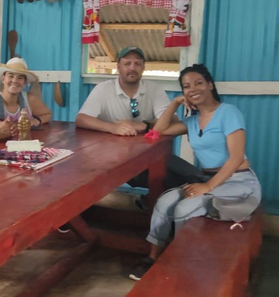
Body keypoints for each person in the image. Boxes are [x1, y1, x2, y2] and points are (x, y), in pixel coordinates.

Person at [128, 64, 261, 281]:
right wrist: (175, 103)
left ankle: (182, 265)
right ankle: (151, 259)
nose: (193, 89)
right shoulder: (191, 121)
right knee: (164, 201)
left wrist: (208, 187)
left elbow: (236, 158)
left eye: (199, 83)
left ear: (210, 85)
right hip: (208, 178)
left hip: (239, 181)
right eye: (186, 86)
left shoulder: (229, 112)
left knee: (183, 208)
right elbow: (156, 133)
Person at [75, 46, 205, 191]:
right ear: (118, 67)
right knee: (173, 182)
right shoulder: (103, 89)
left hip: (149, 155)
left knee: (190, 176)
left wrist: (143, 125)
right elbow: (82, 119)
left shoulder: (153, 89)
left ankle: (205, 190)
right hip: (114, 160)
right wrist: (112, 127)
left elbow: (171, 120)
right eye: (127, 64)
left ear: (143, 67)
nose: (132, 68)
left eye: (137, 63)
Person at [0, 57, 52, 126]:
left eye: (20, 78)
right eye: (11, 76)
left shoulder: (30, 99)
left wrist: (35, 121)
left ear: (25, 82)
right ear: (3, 79)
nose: (14, 81)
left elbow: (47, 114)